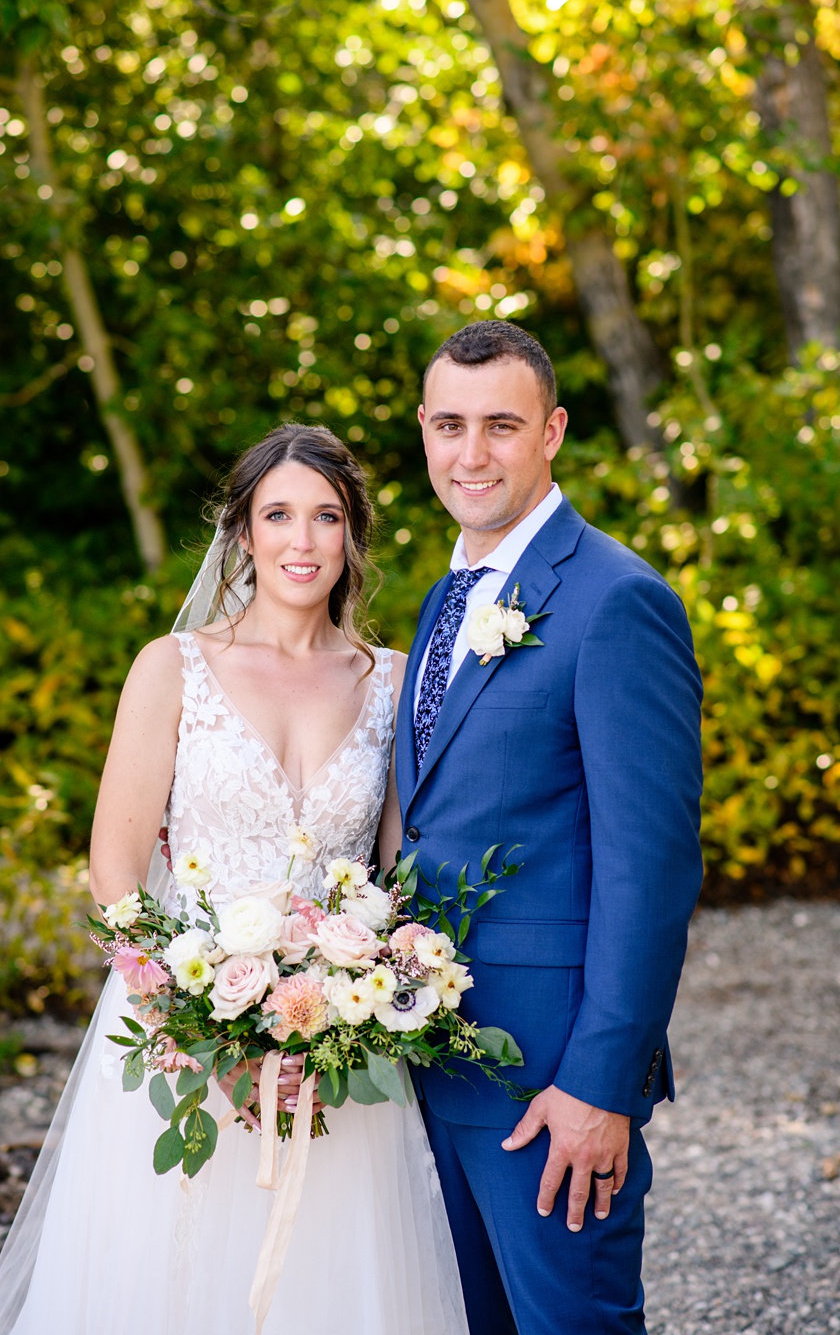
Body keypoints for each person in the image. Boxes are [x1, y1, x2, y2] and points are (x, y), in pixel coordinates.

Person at [0, 423, 468, 1335]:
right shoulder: (173, 670)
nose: (303, 541)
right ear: (242, 533)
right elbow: (115, 873)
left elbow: (396, 881)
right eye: (278, 515)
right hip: (183, 1033)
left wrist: (346, 1005)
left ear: (352, 536)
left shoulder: (394, 682)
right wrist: (209, 1038)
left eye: (326, 517)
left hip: (334, 1051)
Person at [396, 321, 703, 1334]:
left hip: (546, 1084)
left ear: (554, 431)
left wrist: (598, 1086)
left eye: (500, 425)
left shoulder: (617, 601)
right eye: (450, 425)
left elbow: (650, 871)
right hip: (427, 1064)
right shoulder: (445, 600)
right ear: (425, 433)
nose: (471, 453)